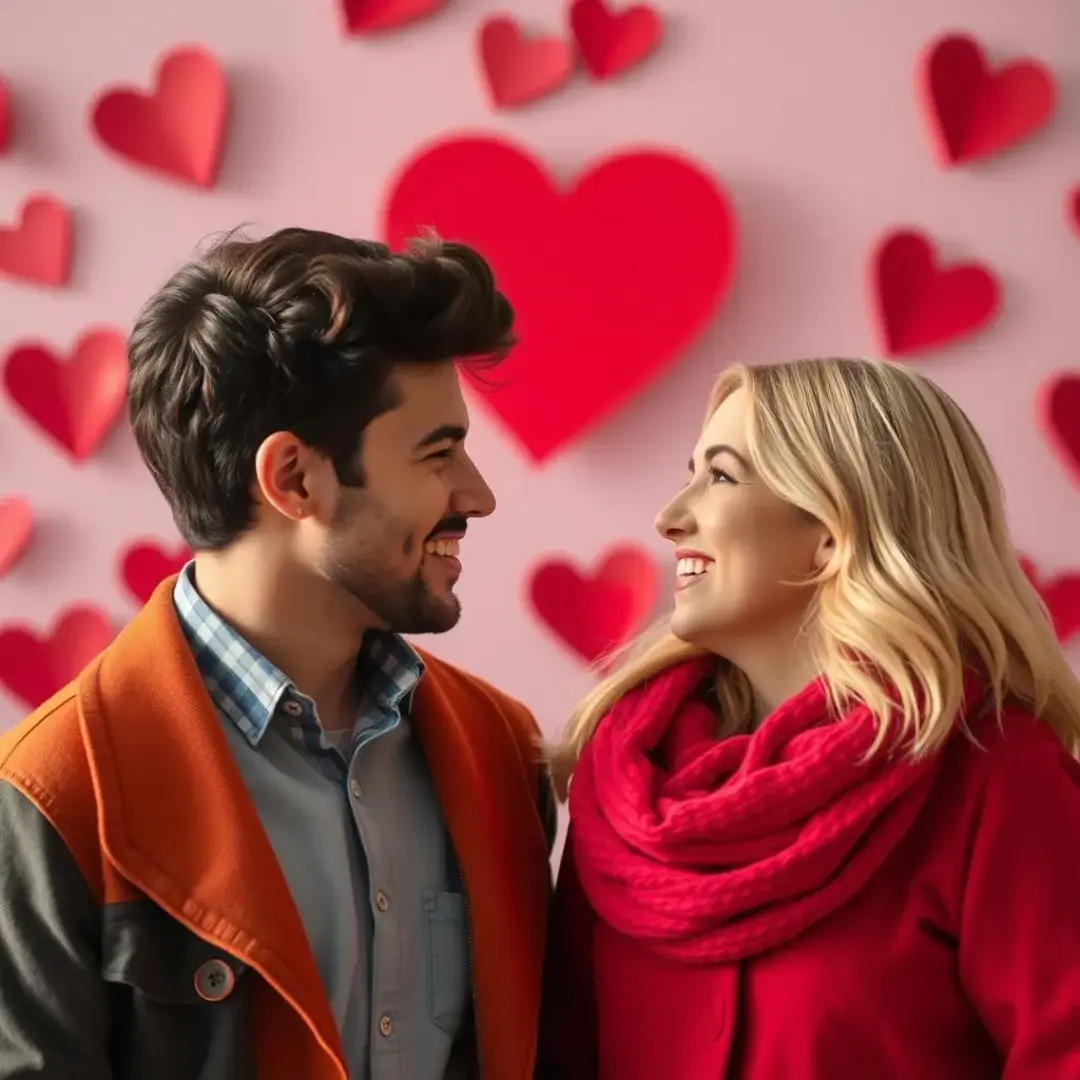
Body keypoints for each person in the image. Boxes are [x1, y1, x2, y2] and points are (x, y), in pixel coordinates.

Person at [0, 228, 556, 1080]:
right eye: (438, 452)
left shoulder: (500, 751)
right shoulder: (56, 795)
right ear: (295, 478)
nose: (476, 493)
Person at [538, 357, 1080, 1080]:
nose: (670, 517)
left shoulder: (996, 774)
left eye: (721, 476)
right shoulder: (627, 783)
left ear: (832, 529)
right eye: (689, 472)